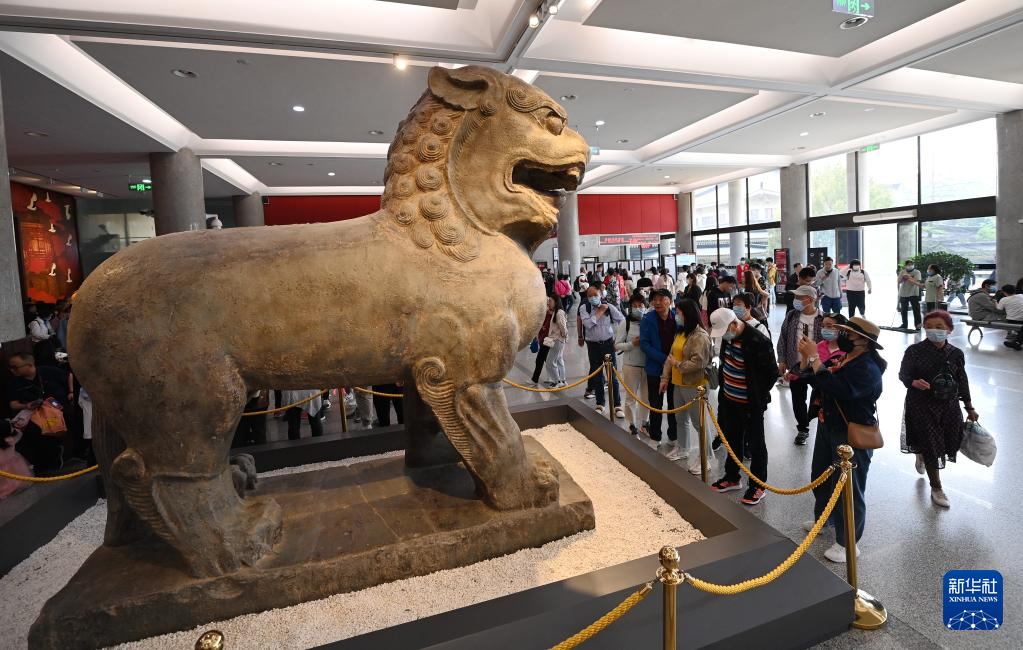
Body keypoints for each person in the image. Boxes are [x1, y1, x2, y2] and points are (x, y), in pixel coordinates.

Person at [797, 316, 885, 563]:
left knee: (849, 488)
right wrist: (806, 357)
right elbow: (813, 376)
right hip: (828, 425)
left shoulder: (867, 368)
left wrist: (815, 358)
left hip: (850, 431)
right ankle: (824, 519)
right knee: (821, 476)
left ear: (863, 341)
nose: (841, 335)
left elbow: (839, 388)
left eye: (848, 333)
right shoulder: (843, 358)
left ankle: (848, 543)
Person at [898, 310, 978, 508]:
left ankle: (922, 453)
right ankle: (936, 487)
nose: (934, 330)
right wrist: (913, 382)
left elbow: (962, 380)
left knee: (949, 440)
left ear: (949, 330)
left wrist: (969, 407)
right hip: (922, 405)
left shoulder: (956, 353)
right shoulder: (914, 351)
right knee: (931, 443)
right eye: (930, 327)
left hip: (949, 405)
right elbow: (903, 374)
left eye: (939, 327)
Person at [708, 308, 779, 506]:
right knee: (732, 439)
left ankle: (758, 485)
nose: (723, 336)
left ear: (734, 324)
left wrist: (756, 394)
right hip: (728, 399)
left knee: (756, 445)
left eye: (725, 331)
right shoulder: (728, 336)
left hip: (750, 403)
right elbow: (726, 363)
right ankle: (732, 477)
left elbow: (772, 373)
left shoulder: (758, 341)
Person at [659, 298, 712, 474]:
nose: (676, 315)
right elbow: (670, 356)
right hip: (678, 383)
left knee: (700, 423)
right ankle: (683, 448)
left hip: (695, 386)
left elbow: (699, 363)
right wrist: (665, 378)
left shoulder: (700, 336)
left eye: (679, 312)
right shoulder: (680, 332)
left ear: (688, 314)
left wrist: (678, 364)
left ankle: (705, 458)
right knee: (680, 419)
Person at [7, 352, 73, 472]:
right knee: (32, 432)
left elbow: (69, 375)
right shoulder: (15, 382)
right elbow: (13, 404)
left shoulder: (47, 371)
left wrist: (71, 392)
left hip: (58, 409)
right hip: (34, 414)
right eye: (11, 367)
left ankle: (58, 456)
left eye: (15, 367)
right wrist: (26, 405)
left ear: (29, 365)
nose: (12, 370)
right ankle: (44, 464)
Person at [777, 285, 823, 446]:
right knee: (798, 399)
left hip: (817, 366)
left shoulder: (823, 318)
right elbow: (783, 337)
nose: (795, 300)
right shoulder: (792, 315)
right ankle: (803, 429)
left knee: (820, 397)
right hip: (796, 366)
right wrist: (782, 359)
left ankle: (820, 423)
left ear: (810, 299)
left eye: (799, 297)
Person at [640, 288, 680, 456]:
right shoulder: (647, 319)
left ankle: (674, 436)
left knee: (674, 404)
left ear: (670, 301)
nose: (657, 302)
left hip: (675, 369)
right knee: (655, 404)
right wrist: (664, 359)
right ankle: (655, 436)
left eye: (661, 299)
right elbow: (644, 344)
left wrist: (673, 362)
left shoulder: (677, 318)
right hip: (655, 368)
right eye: (654, 300)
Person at [580, 285, 624, 417]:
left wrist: (618, 340)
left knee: (612, 375)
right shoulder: (584, 308)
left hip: (608, 344)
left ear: (600, 295)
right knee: (597, 375)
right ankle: (600, 404)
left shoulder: (609, 307)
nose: (593, 298)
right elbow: (587, 324)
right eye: (590, 296)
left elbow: (622, 320)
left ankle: (617, 405)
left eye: (595, 295)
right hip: (593, 346)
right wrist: (599, 312)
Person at [615, 292, 649, 435]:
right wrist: (631, 344)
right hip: (631, 366)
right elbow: (617, 345)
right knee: (631, 397)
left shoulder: (648, 321)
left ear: (645, 306)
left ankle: (644, 423)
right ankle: (632, 424)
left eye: (640, 305)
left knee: (646, 397)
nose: (638, 308)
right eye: (634, 306)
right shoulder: (626, 322)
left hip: (648, 365)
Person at [0, 419, 33, 499]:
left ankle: (5, 490)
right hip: (14, 461)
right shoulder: (11, 439)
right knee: (17, 476)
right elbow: (19, 433)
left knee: (5, 480)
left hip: (2, 465)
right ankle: (16, 486)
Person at [530, 297, 557, 386]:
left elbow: (552, 328)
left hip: (548, 340)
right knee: (546, 359)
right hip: (543, 339)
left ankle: (535, 379)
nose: (548, 304)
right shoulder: (545, 313)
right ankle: (552, 378)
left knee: (540, 360)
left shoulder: (554, 314)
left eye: (549, 302)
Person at [544, 294, 568, 388]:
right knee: (559, 360)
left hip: (558, 340)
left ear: (556, 302)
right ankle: (562, 380)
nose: (548, 303)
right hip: (557, 339)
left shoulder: (559, 313)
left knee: (550, 361)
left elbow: (563, 328)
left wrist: (563, 337)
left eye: (550, 301)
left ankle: (557, 381)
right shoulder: (556, 312)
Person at [898, 260, 924, 331]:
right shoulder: (902, 272)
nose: (910, 266)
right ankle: (904, 324)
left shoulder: (917, 272)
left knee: (916, 310)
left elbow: (916, 282)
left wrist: (908, 277)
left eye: (911, 264)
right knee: (903, 310)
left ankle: (918, 325)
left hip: (913, 293)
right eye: (908, 264)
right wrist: (903, 278)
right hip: (903, 293)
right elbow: (899, 281)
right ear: (906, 265)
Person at [996, 284, 1023, 350]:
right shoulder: (1021, 296)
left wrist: (995, 302)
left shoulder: (1003, 299)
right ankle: (1016, 342)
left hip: (1012, 320)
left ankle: (1016, 343)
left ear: (1004, 292)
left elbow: (999, 309)